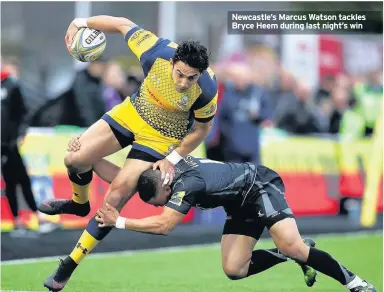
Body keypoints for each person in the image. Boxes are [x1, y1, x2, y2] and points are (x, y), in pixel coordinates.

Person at [39, 15, 218, 291]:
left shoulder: (207, 90)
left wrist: (170, 159)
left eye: (191, 78)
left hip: (161, 138)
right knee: (74, 159)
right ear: (172, 62)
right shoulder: (155, 51)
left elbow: (201, 131)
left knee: (116, 196)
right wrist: (80, 21)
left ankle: (69, 264)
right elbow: (122, 23)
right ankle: (78, 203)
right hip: (132, 113)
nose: (183, 82)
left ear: (200, 75)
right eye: (180, 74)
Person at [89, 154, 375, 292]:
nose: (163, 205)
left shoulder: (188, 184)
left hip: (260, 185)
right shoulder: (158, 173)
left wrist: (120, 222)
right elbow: (120, 175)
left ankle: (355, 283)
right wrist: (89, 157)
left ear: (165, 186)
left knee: (294, 247)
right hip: (238, 203)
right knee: (234, 269)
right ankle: (290, 254)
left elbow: (165, 226)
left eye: (160, 201)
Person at [1, 58, 57, 237]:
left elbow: (23, 112)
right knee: (11, 182)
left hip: (9, 143)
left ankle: (32, 217)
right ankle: (20, 220)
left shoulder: (12, 85)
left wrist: (19, 133)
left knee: (21, 179)